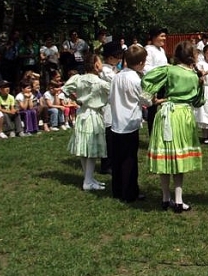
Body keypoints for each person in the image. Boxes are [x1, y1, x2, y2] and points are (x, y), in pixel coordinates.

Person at [142, 40, 204, 213]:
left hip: (166, 114)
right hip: (183, 116)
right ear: (192, 56)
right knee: (178, 157)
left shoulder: (169, 70)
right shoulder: (194, 76)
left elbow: (146, 80)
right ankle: (178, 199)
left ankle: (165, 197)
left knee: (166, 154)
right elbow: (199, 102)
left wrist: (153, 98)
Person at [110, 44, 152, 202]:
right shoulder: (136, 79)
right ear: (140, 63)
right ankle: (130, 192)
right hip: (129, 123)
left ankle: (117, 189)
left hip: (116, 122)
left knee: (117, 159)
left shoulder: (117, 76)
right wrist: (152, 96)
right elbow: (146, 100)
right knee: (129, 160)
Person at [63, 53, 111, 191]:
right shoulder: (101, 83)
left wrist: (77, 99)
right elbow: (112, 93)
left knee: (84, 147)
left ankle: (88, 178)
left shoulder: (78, 78)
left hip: (82, 114)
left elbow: (65, 89)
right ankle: (88, 181)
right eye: (100, 62)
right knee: (91, 148)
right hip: (93, 115)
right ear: (96, 65)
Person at [99, 41, 123, 175]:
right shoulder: (105, 70)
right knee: (108, 137)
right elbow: (116, 81)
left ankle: (113, 161)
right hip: (107, 106)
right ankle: (106, 164)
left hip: (114, 106)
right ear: (109, 58)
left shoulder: (113, 69)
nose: (119, 60)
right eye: (117, 57)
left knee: (114, 136)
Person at [143, 27, 169, 135]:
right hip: (154, 85)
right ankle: (152, 135)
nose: (164, 38)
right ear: (154, 37)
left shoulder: (161, 50)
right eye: (161, 36)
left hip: (163, 84)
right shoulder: (148, 50)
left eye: (164, 36)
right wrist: (163, 70)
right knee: (152, 111)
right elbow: (146, 68)